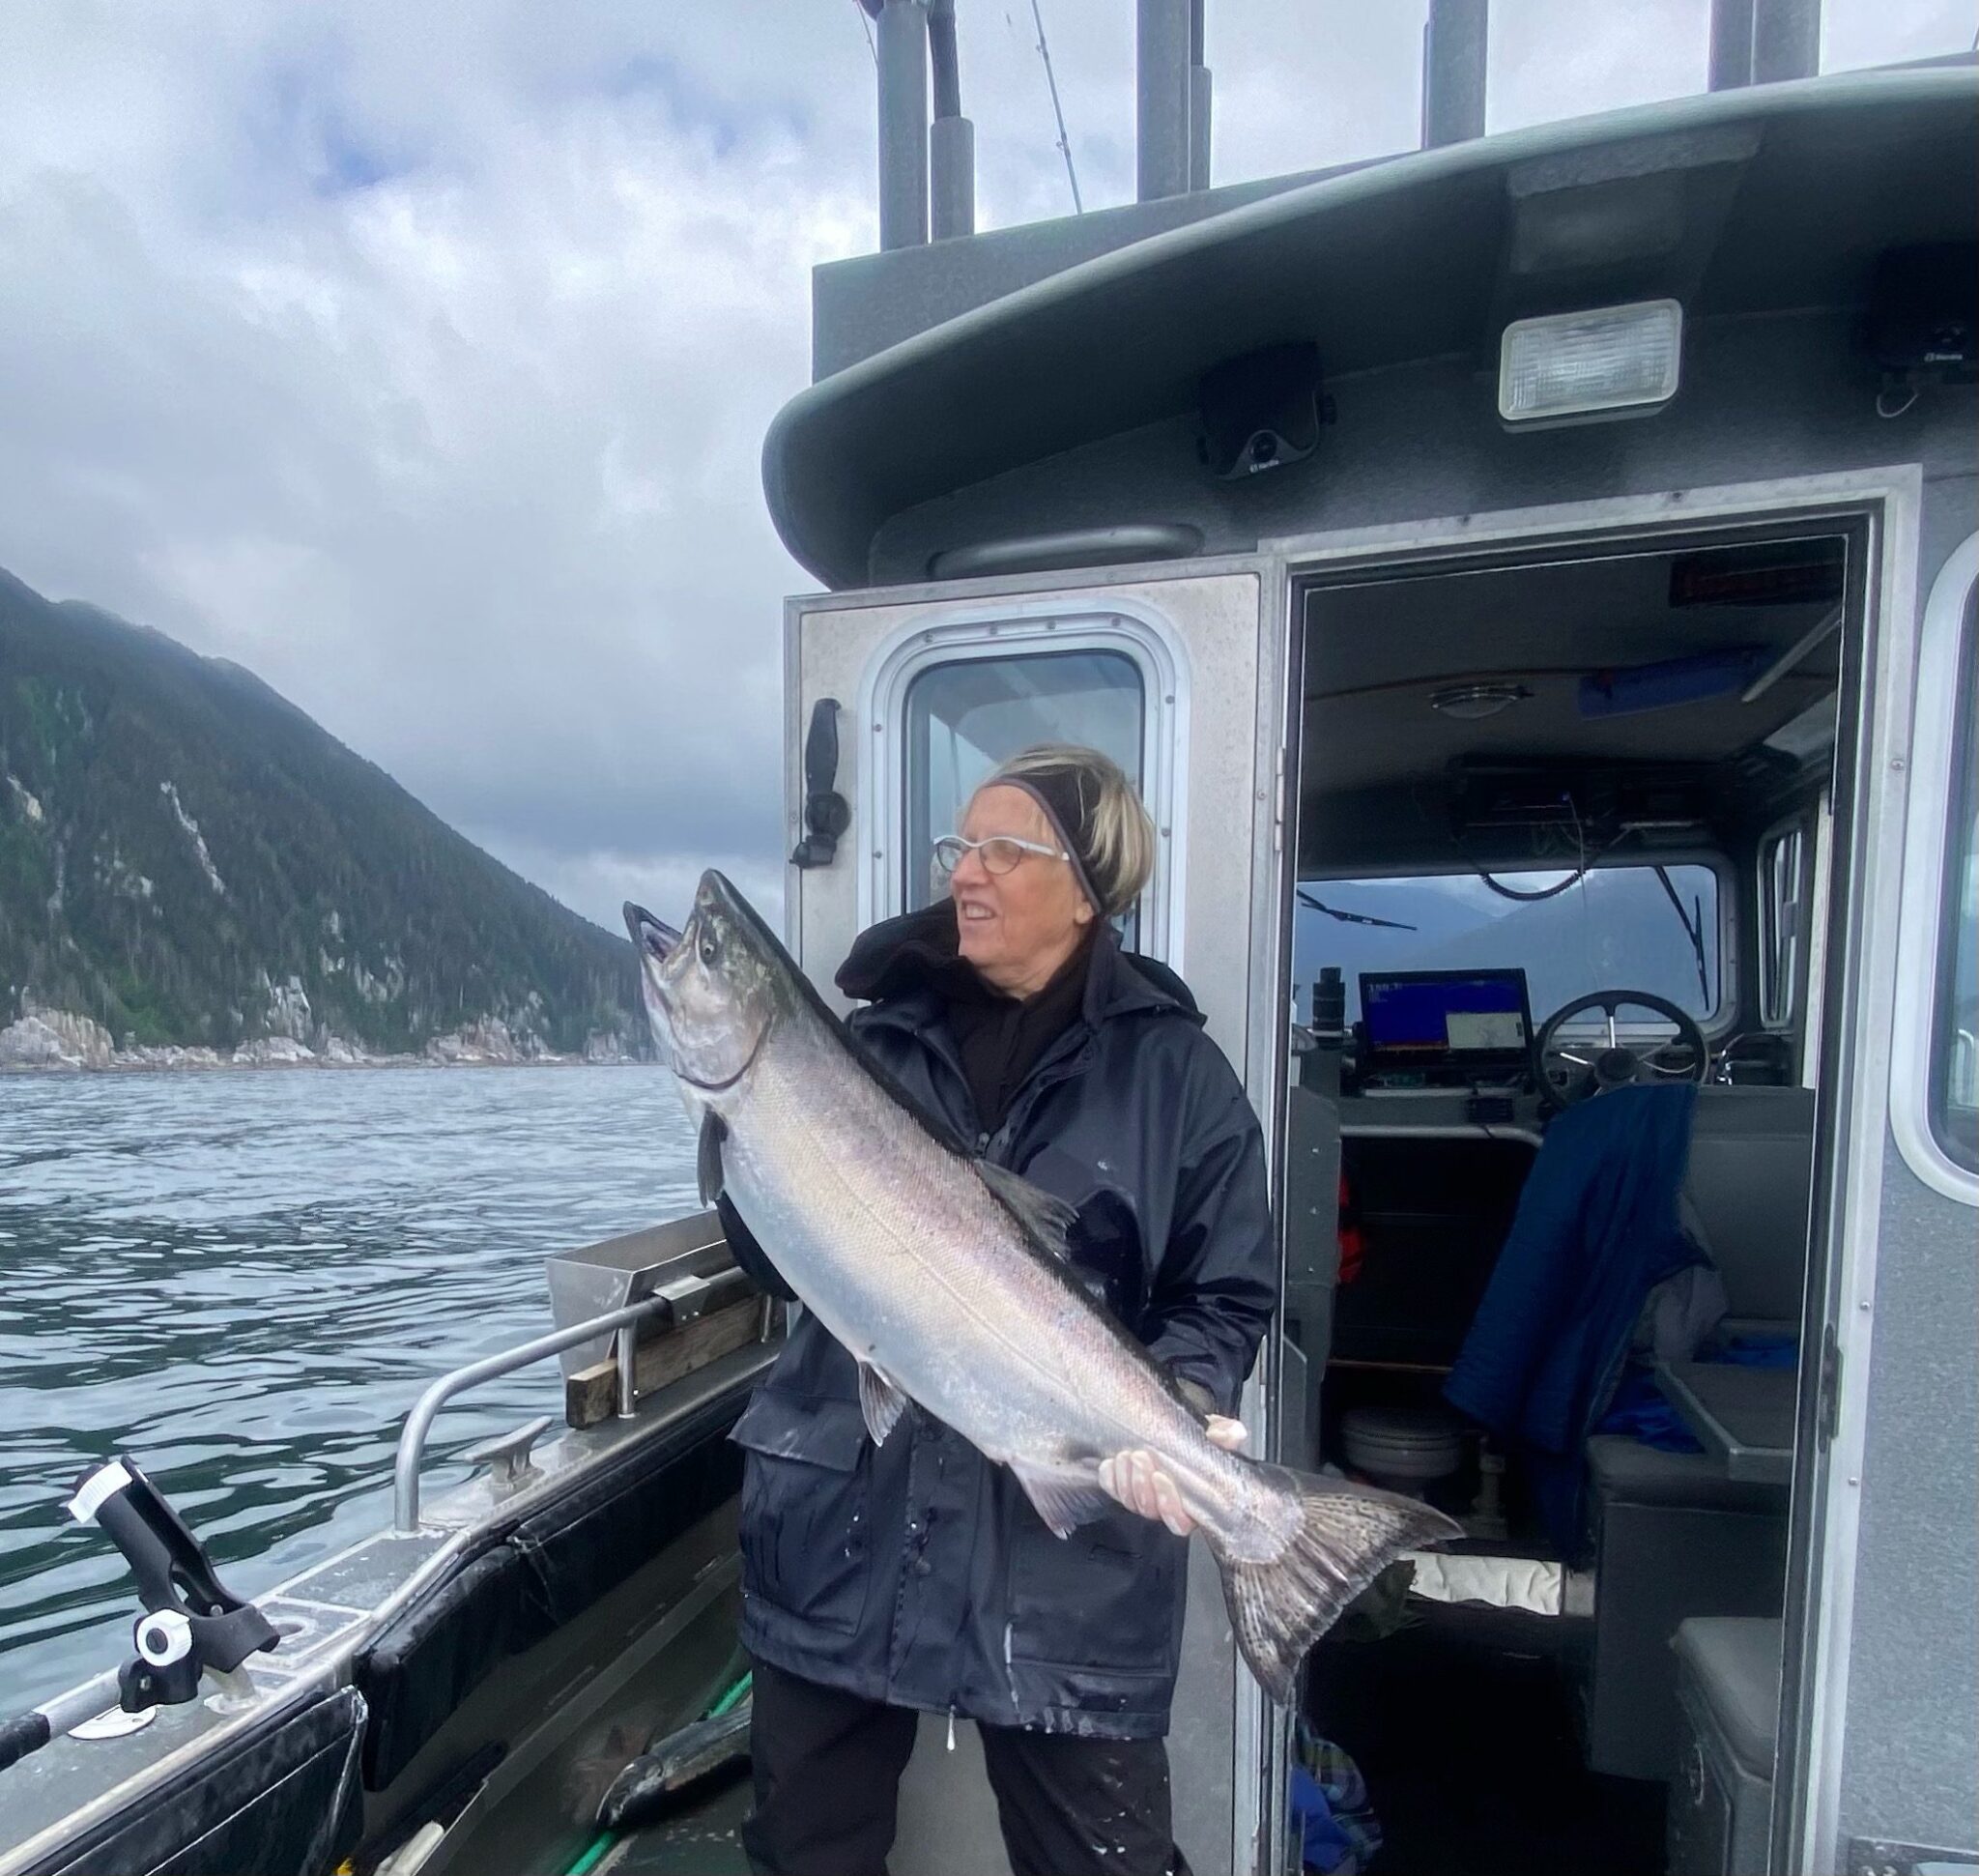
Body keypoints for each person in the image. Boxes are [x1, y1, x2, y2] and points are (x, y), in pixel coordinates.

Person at [715, 743, 1276, 1876]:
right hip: (842, 1533)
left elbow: (1222, 1295)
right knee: (804, 1856)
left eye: (1001, 850)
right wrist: (737, 1130)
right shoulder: (866, 1044)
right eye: (956, 847)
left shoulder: (1179, 1080)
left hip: (1064, 1577)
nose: (963, 873)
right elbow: (777, 1268)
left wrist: (1185, 1406)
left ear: (1087, 886)